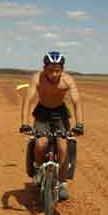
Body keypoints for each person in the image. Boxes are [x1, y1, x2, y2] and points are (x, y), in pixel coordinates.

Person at [19, 51, 84, 201]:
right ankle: (39, 170)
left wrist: (79, 124)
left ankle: (62, 182)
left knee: (63, 146)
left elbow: (76, 102)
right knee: (41, 143)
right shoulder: (37, 78)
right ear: (44, 68)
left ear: (62, 69)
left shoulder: (68, 80)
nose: (54, 74)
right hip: (42, 112)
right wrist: (24, 123)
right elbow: (28, 100)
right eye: (50, 70)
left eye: (57, 70)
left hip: (60, 113)